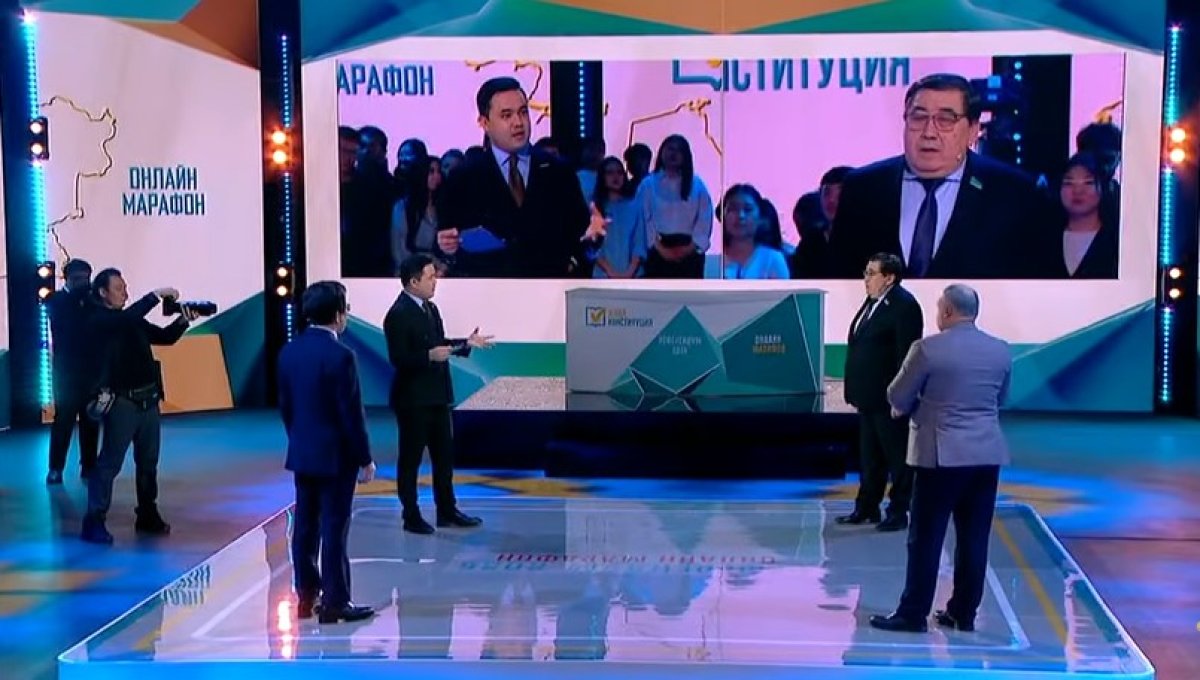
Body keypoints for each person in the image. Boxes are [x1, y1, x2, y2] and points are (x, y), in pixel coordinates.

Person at [870, 284, 1012, 633]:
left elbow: (897, 395)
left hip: (941, 457)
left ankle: (912, 613)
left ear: (947, 311)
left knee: (926, 537)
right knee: (974, 537)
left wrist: (915, 406)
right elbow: (1001, 399)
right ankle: (963, 613)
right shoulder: (1000, 350)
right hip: (986, 455)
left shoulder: (927, 349)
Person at [829, 73, 1058, 279]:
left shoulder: (1014, 193)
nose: (929, 132)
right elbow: (837, 278)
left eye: (946, 120)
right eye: (918, 117)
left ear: (972, 130)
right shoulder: (863, 188)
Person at [436, 76, 607, 277]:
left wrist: (588, 243)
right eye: (506, 115)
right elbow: (446, 241)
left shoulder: (558, 171)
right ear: (484, 122)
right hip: (488, 289)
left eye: (523, 112)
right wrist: (446, 247)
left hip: (549, 288)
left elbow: (581, 234)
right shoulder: (464, 178)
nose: (518, 123)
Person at [277, 281, 376, 624]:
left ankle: (306, 595)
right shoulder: (341, 356)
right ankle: (336, 602)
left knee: (305, 526)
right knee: (334, 528)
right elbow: (350, 415)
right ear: (337, 314)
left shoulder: (289, 352)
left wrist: (300, 439)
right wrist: (364, 458)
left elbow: (286, 407)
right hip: (336, 458)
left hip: (303, 452)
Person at [81, 269, 197, 544]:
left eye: (125, 287)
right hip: (122, 402)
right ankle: (94, 520)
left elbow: (164, 337)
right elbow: (124, 320)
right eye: (119, 288)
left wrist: (183, 320)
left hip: (148, 400)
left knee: (148, 462)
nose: (125, 293)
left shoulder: (130, 320)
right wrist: (154, 296)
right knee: (109, 463)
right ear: (103, 292)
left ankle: (147, 513)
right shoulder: (99, 320)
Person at [384, 254, 493, 534]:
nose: (436, 282)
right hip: (413, 400)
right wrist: (428, 356)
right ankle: (411, 515)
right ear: (413, 281)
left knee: (444, 457)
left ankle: (447, 510)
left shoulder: (430, 309)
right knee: (410, 460)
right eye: (430, 277)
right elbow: (399, 358)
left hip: (438, 396)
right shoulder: (397, 314)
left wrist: (465, 344)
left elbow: (439, 344)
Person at [839, 253, 923, 532]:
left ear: (889, 277)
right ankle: (867, 508)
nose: (866, 279)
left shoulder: (904, 306)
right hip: (868, 399)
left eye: (871, 273)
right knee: (870, 458)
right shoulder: (872, 303)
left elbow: (907, 357)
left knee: (897, 459)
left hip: (889, 400)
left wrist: (902, 395)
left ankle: (898, 511)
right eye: (866, 272)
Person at [46, 258, 99, 484]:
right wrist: (82, 298)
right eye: (78, 278)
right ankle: (55, 468)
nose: (83, 283)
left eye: (86, 278)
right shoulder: (56, 300)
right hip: (66, 374)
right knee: (63, 421)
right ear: (66, 279)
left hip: (91, 372)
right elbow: (67, 326)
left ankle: (89, 465)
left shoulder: (92, 301)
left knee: (91, 420)